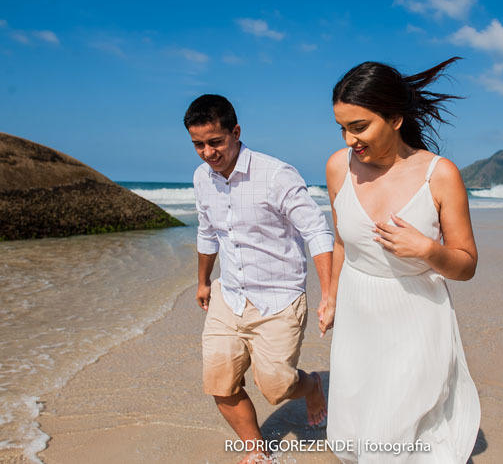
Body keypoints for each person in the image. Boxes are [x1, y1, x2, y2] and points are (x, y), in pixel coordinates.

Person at [322, 58, 481, 463]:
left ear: (395, 119)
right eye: (343, 128)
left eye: (359, 127)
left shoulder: (439, 175)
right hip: (358, 314)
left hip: (414, 316)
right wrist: (331, 297)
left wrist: (428, 250)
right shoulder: (338, 167)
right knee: (355, 432)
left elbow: (466, 265)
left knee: (391, 433)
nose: (350, 139)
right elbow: (341, 242)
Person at [184, 94, 333, 464]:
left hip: (279, 299)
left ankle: (312, 384)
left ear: (235, 133)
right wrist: (203, 281)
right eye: (198, 144)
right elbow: (207, 232)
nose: (207, 153)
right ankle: (256, 450)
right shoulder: (202, 178)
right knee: (219, 382)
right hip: (229, 296)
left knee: (277, 387)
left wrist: (329, 294)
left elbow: (317, 231)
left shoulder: (276, 175)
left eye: (215, 142)